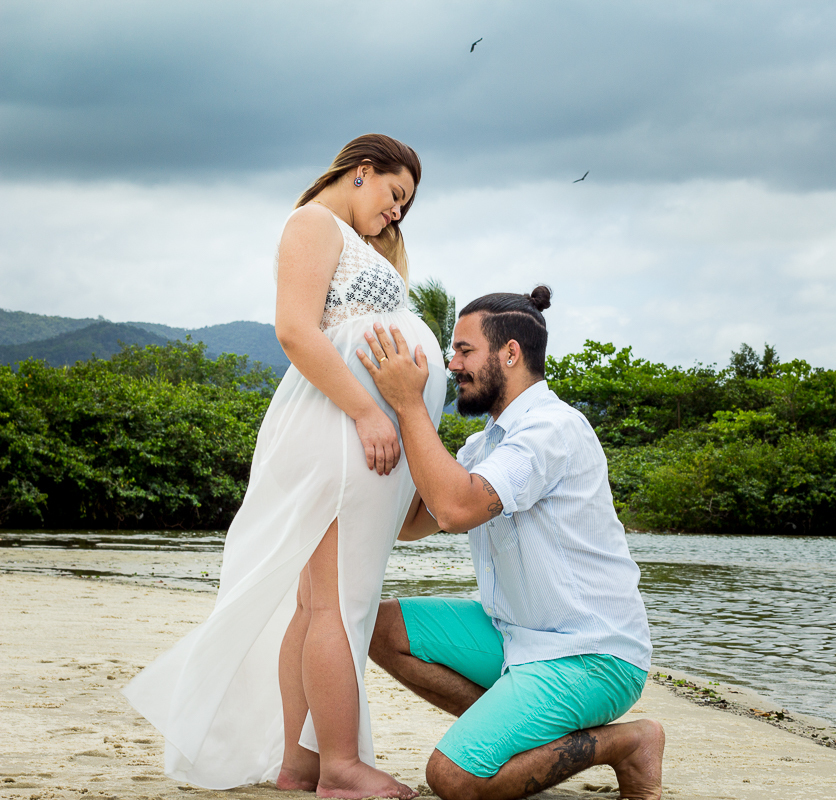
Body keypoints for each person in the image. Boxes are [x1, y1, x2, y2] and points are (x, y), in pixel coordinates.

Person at [123, 134, 445, 800]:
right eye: (394, 195)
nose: (396, 214)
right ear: (362, 172)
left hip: (353, 428)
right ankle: (340, 768)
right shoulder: (313, 223)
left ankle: (301, 767)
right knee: (338, 601)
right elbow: (295, 330)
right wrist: (368, 412)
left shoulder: (346, 234)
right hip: (343, 426)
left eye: (404, 209)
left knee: (315, 603)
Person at [355, 287, 666, 800]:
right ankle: (525, 729)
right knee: (380, 626)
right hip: (515, 636)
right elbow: (414, 523)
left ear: (511, 354)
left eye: (463, 350)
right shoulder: (482, 445)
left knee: (454, 779)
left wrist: (408, 403)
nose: (452, 363)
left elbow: (456, 510)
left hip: (589, 654)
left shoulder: (551, 430)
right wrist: (385, 419)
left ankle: (628, 743)